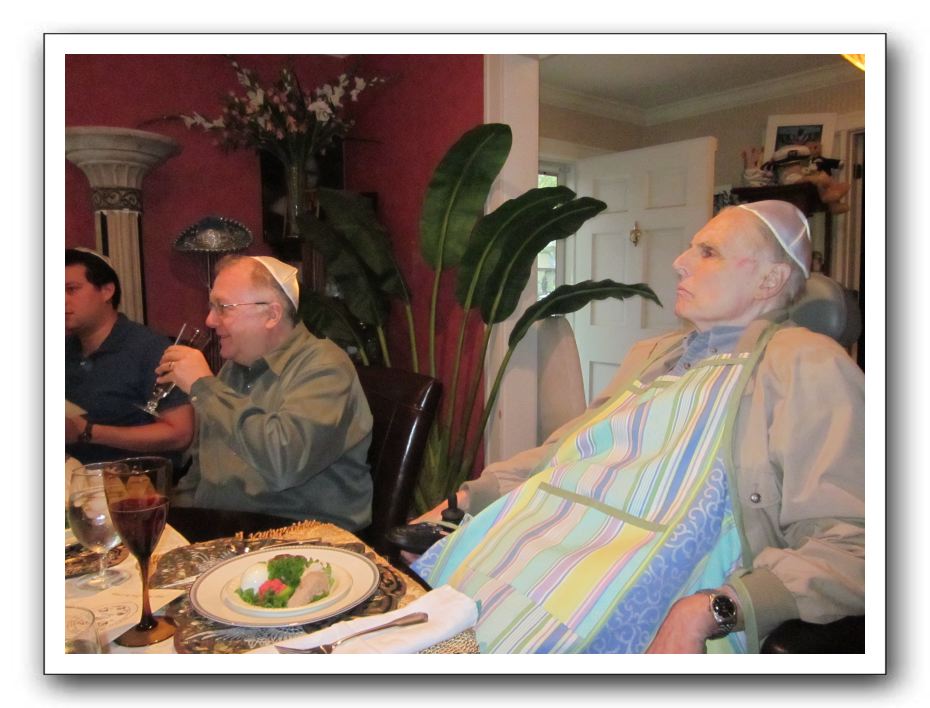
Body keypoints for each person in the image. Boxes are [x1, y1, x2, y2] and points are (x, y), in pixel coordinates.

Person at [410, 200, 864, 654]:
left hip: (631, 599)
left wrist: (714, 608)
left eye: (708, 252)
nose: (679, 262)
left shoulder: (807, 364)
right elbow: (565, 454)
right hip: (540, 559)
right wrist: (465, 501)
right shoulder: (652, 354)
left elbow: (860, 543)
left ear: (770, 280)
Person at [162, 254, 374, 531]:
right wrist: (171, 524)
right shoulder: (233, 370)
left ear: (272, 315)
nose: (210, 320)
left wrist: (204, 387)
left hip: (302, 538)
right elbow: (203, 474)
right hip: (223, 531)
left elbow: (283, 462)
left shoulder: (324, 366)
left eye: (223, 307)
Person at [65, 248, 194, 464]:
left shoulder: (150, 349)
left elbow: (180, 434)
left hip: (133, 479)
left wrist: (88, 431)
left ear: (107, 291)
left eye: (71, 290)